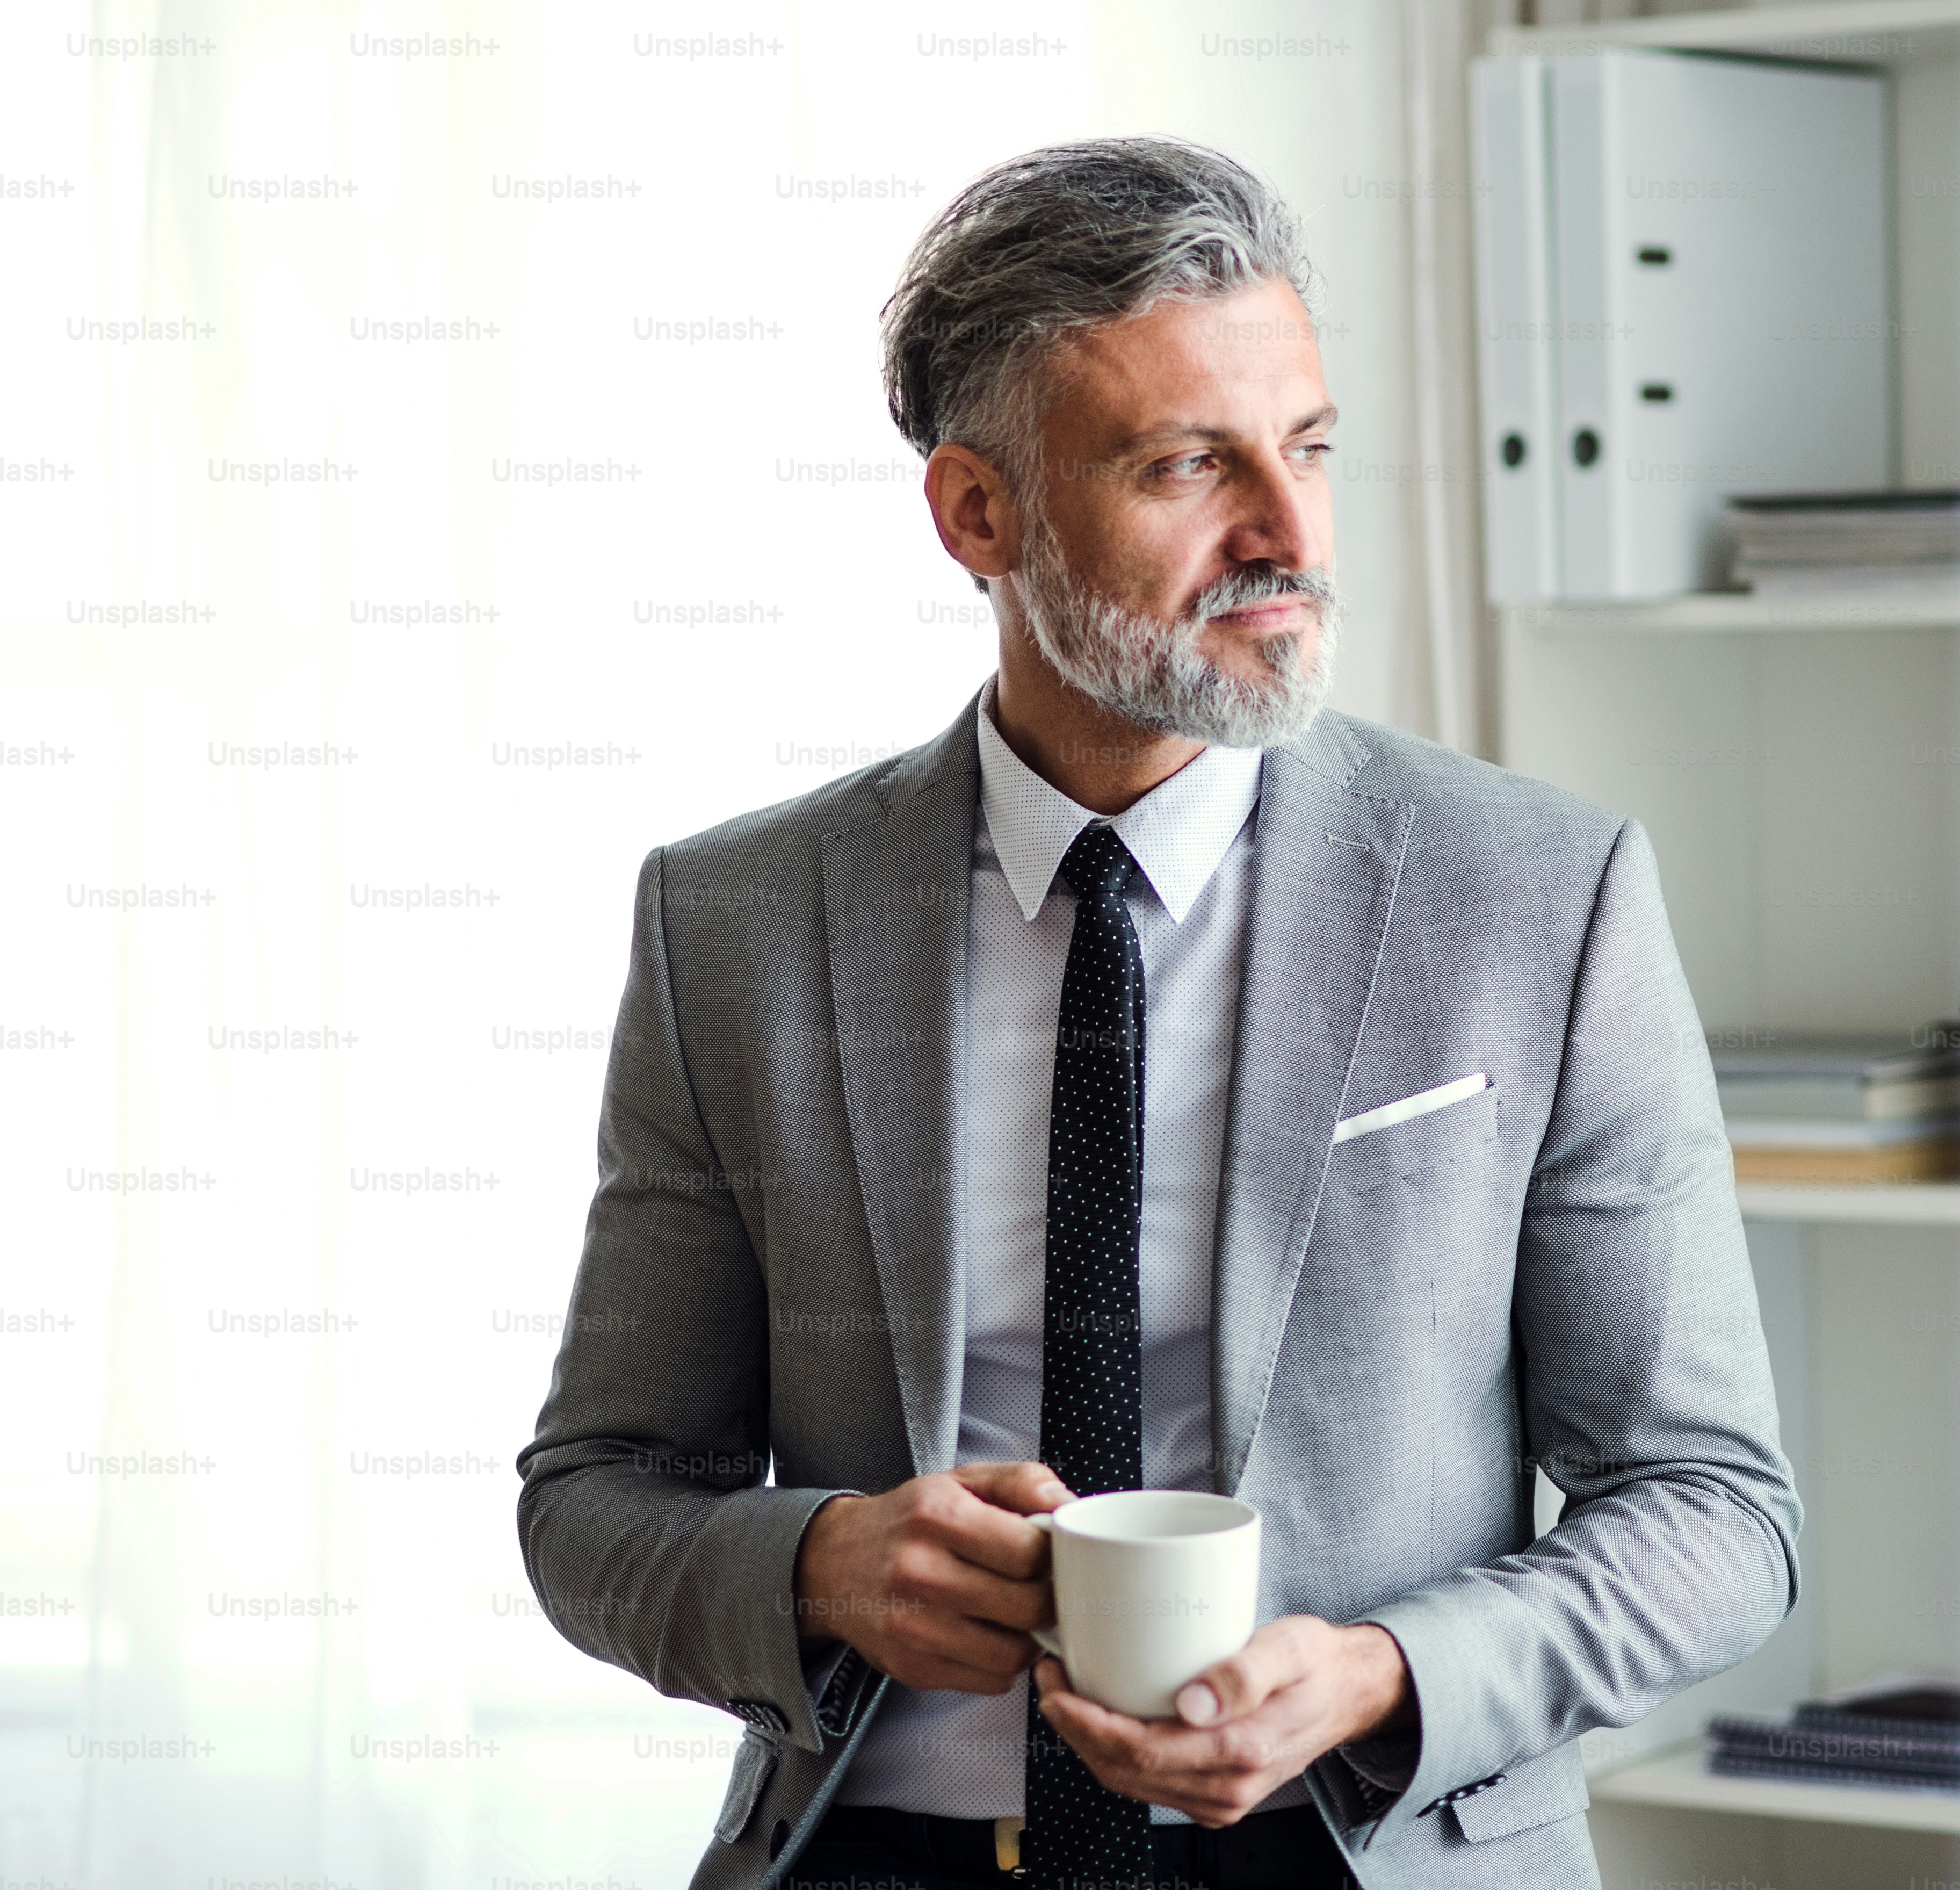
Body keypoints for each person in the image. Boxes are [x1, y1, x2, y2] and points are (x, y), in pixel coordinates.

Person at [516, 137, 1800, 1890]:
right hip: (883, 1856)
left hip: (1365, 1844)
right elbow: (595, 1497)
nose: (1286, 534)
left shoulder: (1540, 896)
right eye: (1193, 464)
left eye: (1311, 450)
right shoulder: (733, 923)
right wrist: (815, 1566)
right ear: (979, 515)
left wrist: (1383, 1674)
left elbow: (1717, 1512)